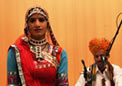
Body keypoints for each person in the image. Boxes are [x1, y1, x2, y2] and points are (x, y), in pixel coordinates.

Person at [7, 6, 69, 86]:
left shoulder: (59, 53)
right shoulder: (16, 52)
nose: (37, 24)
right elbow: (12, 84)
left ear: (47, 24)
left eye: (41, 20)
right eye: (32, 21)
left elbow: (63, 84)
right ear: (27, 25)